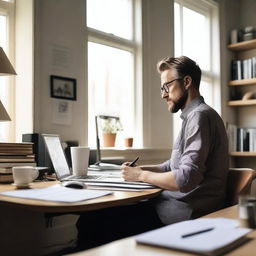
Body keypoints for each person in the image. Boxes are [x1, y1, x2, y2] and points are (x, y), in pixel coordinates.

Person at [122, 56, 229, 224]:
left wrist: (141, 175)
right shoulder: (193, 116)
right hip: (173, 207)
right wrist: (139, 169)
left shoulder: (199, 116)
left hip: (183, 214)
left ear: (186, 82)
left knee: (96, 218)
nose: (163, 94)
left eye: (167, 86)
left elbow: (185, 178)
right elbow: (173, 165)